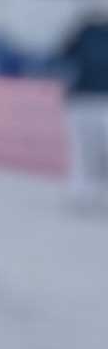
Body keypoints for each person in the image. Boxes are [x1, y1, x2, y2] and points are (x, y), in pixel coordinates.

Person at [56, 11, 108, 207]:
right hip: (82, 99)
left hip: (99, 99)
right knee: (82, 150)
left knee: (96, 150)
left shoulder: (83, 30)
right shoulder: (83, 30)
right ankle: (81, 192)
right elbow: (64, 53)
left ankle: (88, 191)